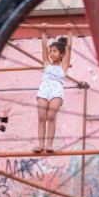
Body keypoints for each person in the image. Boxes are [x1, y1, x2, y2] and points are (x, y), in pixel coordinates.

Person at [35, 25, 73, 153]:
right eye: (51, 51)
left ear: (62, 54)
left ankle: (49, 144)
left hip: (56, 92)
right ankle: (40, 144)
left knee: (51, 116)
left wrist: (70, 32)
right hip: (44, 91)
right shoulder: (46, 64)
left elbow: (69, 48)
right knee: (41, 116)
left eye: (55, 51)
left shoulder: (63, 66)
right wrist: (44, 32)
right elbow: (43, 47)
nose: (51, 53)